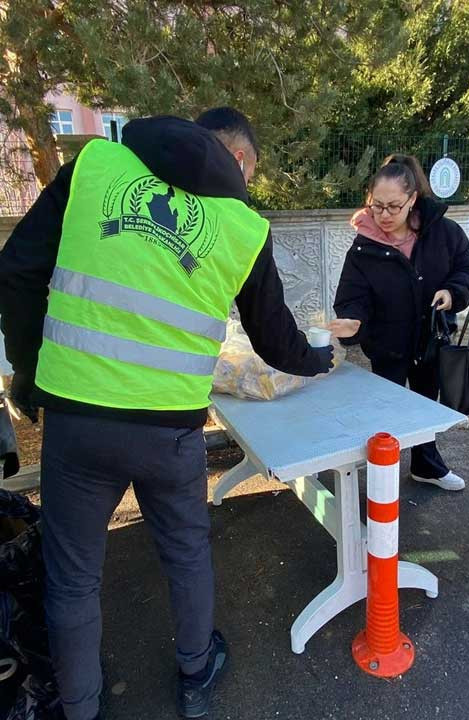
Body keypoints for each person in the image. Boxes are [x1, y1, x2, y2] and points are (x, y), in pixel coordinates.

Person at [0, 108, 335, 720]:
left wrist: (28, 370)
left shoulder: (95, 166)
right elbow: (275, 339)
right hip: (169, 431)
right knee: (185, 552)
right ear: (239, 159)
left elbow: (17, 271)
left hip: (78, 420)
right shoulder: (241, 225)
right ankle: (196, 674)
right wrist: (318, 359)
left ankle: (80, 708)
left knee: (72, 576)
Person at [329, 154, 469, 491]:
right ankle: (382, 480)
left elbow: (468, 269)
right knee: (387, 416)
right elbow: (352, 297)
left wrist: (453, 292)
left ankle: (427, 466)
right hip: (388, 345)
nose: (384, 215)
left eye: (394, 207)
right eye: (377, 206)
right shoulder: (364, 247)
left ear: (412, 199)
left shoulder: (443, 232)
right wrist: (353, 322)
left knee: (426, 408)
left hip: (431, 339)